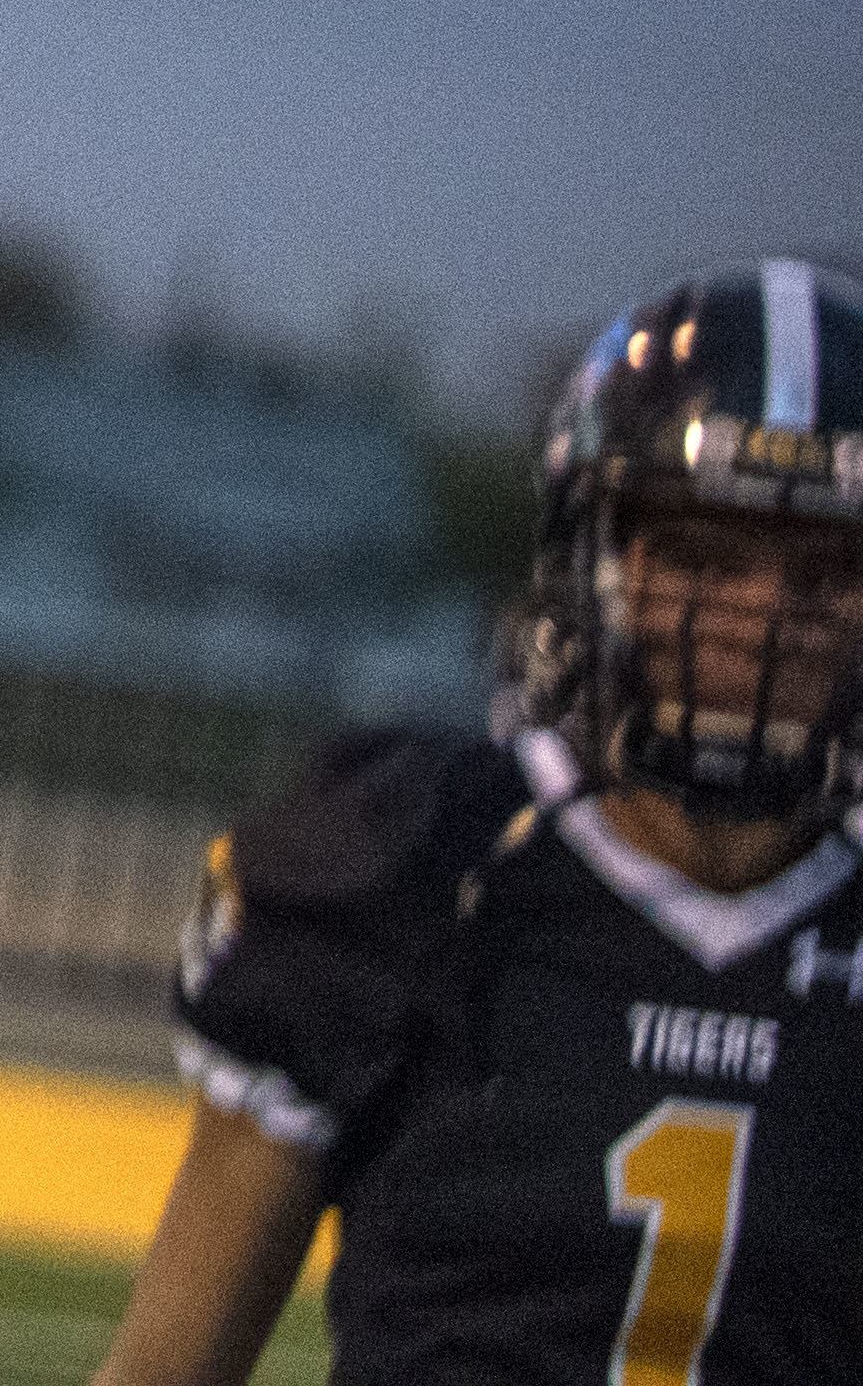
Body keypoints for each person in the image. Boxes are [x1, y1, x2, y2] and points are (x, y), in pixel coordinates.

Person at [93, 258, 858, 1386]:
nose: (760, 613)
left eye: (827, 569)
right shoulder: (413, 865)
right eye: (700, 553)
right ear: (593, 557)